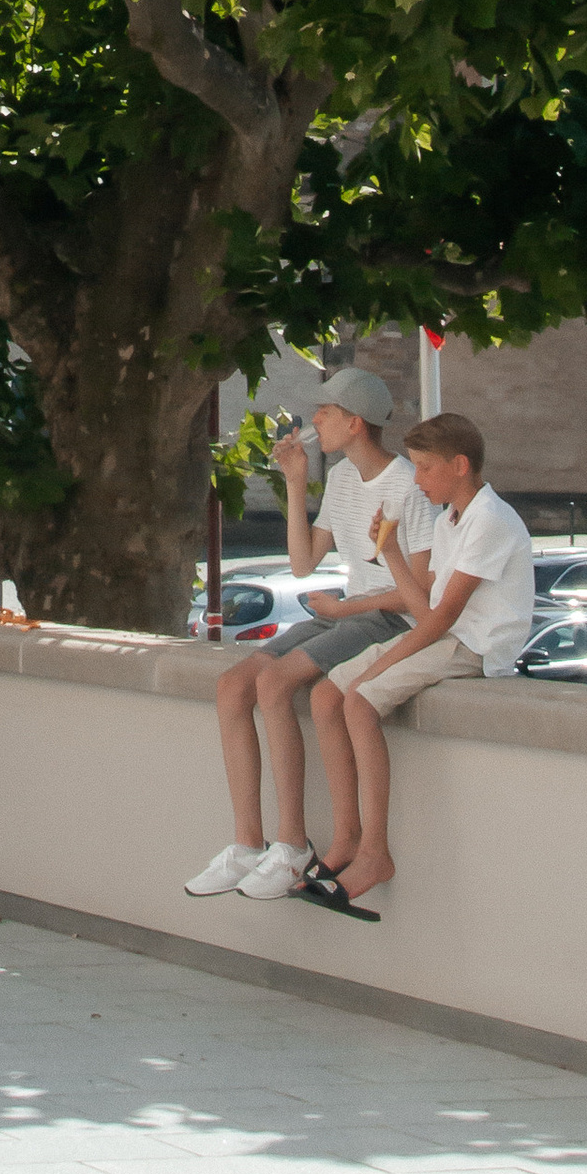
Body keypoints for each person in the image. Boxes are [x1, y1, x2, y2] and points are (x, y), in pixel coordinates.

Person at [186, 369, 418, 905]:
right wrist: (295, 481)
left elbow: (416, 595)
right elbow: (301, 563)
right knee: (232, 685)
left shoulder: (406, 484)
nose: (315, 419)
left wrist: (346, 607)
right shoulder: (339, 479)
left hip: (383, 616)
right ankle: (248, 843)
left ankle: (291, 843)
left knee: (274, 683)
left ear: (355, 423)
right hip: (343, 610)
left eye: (326, 412)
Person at [301, 410, 537, 919]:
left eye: (425, 469)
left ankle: (374, 854)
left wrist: (373, 673)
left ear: (458, 465)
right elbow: (422, 608)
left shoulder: (490, 520)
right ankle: (346, 839)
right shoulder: (451, 518)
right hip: (440, 634)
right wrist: (390, 554)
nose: (417, 479)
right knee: (326, 695)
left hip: (472, 646)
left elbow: (442, 620)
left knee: (359, 701)